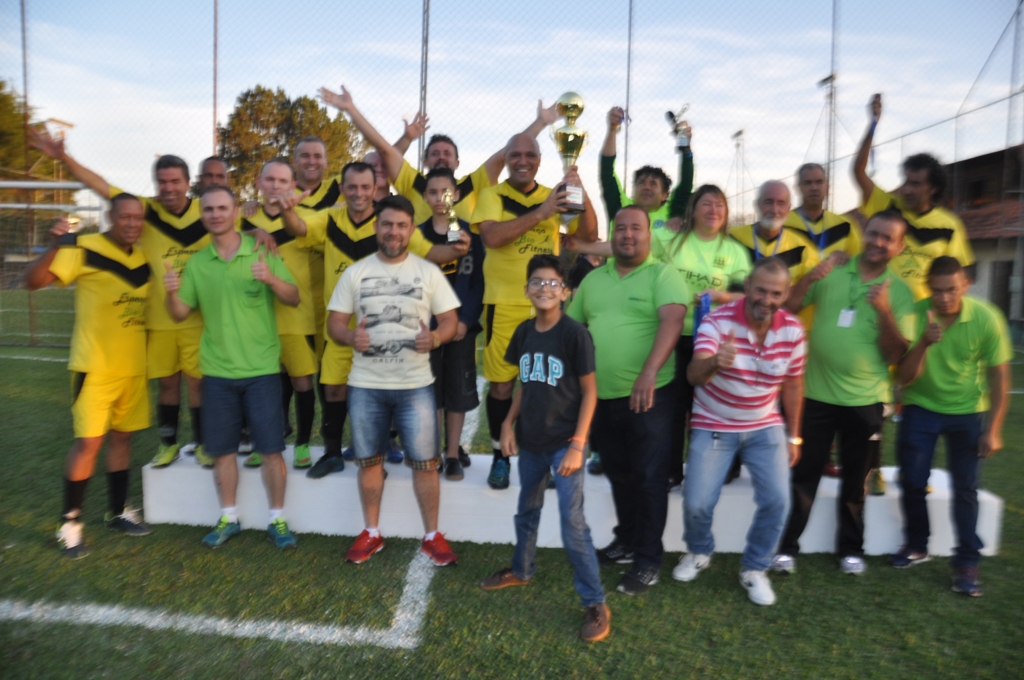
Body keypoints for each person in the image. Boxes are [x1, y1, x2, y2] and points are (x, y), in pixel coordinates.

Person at [29, 130, 210, 468]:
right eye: (162, 181)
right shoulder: (144, 211)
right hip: (157, 319)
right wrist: (63, 158)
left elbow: (243, 222)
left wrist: (258, 228)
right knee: (168, 384)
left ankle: (201, 443)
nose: (168, 188)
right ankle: (168, 443)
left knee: (199, 384)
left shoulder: (207, 210)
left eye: (175, 181)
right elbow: (101, 186)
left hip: (198, 318)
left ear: (188, 183)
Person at [278, 162, 464, 478]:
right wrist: (286, 211)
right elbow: (299, 229)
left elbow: (432, 254)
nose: (359, 193)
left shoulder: (387, 221)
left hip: (383, 323)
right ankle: (334, 453)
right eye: (352, 187)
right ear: (342, 189)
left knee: (382, 389)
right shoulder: (330, 218)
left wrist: (459, 249)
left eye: (365, 187)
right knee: (334, 389)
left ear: (374, 188)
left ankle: (379, 452)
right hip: (340, 322)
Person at [774, 210, 916, 575]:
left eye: (888, 238)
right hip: (815, 396)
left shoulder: (899, 292)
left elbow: (896, 354)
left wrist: (883, 312)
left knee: (856, 480)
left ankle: (850, 550)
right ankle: (787, 548)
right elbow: (786, 311)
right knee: (803, 476)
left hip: (866, 402)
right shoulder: (832, 270)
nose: (878, 242)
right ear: (863, 233)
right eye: (874, 233)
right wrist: (808, 279)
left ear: (899, 247)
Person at [326, 195, 461, 566]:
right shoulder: (355, 273)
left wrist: (435, 337)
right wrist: (350, 335)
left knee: (425, 464)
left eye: (402, 225)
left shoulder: (428, 272)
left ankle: (432, 536)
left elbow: (450, 321)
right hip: (366, 385)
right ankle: (371, 532)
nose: (394, 232)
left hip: (415, 385)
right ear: (376, 227)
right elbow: (334, 323)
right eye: (387, 224)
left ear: (411, 230)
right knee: (369, 462)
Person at [480, 254, 608, 642]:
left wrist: (578, 444)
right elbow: (526, 382)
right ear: (526, 289)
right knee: (526, 511)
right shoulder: (523, 331)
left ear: (565, 292)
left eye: (553, 283)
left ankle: (595, 601)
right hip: (532, 442)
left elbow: (590, 393)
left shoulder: (574, 334)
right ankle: (522, 570)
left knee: (573, 525)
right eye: (537, 282)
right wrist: (507, 422)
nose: (544, 289)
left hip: (565, 445)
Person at [164, 185, 300, 550]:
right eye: (209, 209)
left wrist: (270, 278)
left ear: (236, 211)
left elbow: (294, 296)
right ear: (202, 215)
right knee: (223, 451)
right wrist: (171, 291)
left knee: (271, 450)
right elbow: (179, 313)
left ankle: (278, 520)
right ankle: (229, 517)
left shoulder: (261, 248)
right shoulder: (196, 263)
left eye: (223, 208)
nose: (216, 214)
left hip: (261, 370)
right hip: (218, 373)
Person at [567, 205, 687, 595]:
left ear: (648, 236)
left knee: (650, 478)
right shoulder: (593, 280)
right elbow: (572, 327)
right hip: (601, 398)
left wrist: (649, 371)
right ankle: (627, 538)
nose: (628, 235)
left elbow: (671, 321)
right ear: (612, 235)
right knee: (619, 472)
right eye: (621, 229)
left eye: (636, 228)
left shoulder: (663, 274)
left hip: (651, 396)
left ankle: (648, 558)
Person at [24, 199, 153, 558]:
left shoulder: (143, 259)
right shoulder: (84, 247)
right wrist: (54, 244)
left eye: (137, 217)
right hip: (93, 367)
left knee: (123, 439)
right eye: (124, 216)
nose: (131, 223)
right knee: (89, 444)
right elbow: (32, 281)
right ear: (110, 217)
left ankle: (117, 511)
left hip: (132, 368)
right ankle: (70, 523)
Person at [674, 257, 806, 606]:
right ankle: (700, 551)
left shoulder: (792, 329)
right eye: (760, 289)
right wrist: (716, 361)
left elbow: (793, 384)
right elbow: (693, 375)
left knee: (778, 500)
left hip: (765, 425)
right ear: (747, 287)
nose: (766, 298)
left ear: (785, 294)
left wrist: (794, 435)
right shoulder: (717, 323)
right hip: (714, 423)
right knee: (698, 502)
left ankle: (755, 568)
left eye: (775, 293)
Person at [473, 134, 599, 489]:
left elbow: (588, 232)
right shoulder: (491, 195)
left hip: (546, 308)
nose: (522, 160)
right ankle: (500, 456)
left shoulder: (554, 193)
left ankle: (549, 457)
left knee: (550, 383)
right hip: (504, 304)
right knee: (502, 387)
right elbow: (493, 237)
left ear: (540, 160)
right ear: (507, 158)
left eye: (530, 154)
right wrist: (543, 212)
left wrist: (580, 190)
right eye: (515, 154)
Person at [892, 256, 1011, 596]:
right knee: (913, 481)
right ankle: (917, 545)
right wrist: (925, 344)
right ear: (929, 287)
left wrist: (994, 429)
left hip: (967, 413)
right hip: (920, 407)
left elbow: (999, 375)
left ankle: (966, 562)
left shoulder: (986, 317)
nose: (944, 298)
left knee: (966, 488)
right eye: (938, 290)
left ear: (966, 285)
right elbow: (904, 377)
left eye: (952, 290)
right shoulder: (916, 314)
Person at [318, 85, 561, 225]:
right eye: (434, 154)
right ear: (425, 161)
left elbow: (506, 153)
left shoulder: (472, 183)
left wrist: (540, 123)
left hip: (465, 277)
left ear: (457, 162)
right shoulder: (413, 183)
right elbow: (383, 148)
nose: (441, 157)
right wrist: (350, 109)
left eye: (447, 153)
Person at [725, 180, 823, 484]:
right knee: (734, 396)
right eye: (768, 202)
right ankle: (729, 463)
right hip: (738, 336)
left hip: (781, 339)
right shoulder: (734, 238)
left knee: (778, 404)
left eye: (781, 203)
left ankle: (773, 464)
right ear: (757, 205)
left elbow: (805, 294)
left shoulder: (804, 247)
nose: (774, 208)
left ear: (788, 207)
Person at [853, 93, 975, 299]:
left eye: (916, 184)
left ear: (933, 188)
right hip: (879, 306)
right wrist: (872, 125)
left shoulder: (950, 224)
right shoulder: (888, 206)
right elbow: (858, 171)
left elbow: (961, 272)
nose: (907, 189)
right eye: (906, 181)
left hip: (924, 316)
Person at [238, 159, 318, 470]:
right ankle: (265, 441)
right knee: (263, 384)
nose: (275, 186)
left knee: (302, 382)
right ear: (258, 182)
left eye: (282, 181)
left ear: (292, 186)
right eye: (269, 179)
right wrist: (247, 215)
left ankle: (302, 444)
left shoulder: (306, 218)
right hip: (256, 317)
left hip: (297, 314)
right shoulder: (242, 216)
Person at [417, 168, 485, 479]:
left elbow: (476, 283)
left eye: (446, 192)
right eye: (433, 192)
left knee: (457, 391)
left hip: (460, 331)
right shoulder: (416, 235)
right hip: (426, 328)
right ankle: (431, 451)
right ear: (425, 196)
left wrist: (465, 320)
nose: (440, 198)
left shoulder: (469, 235)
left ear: (456, 195)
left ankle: (453, 454)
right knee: (430, 392)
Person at [599, 106, 694, 231]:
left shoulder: (672, 213)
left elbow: (686, 185)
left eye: (653, 184)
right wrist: (612, 130)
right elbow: (606, 171)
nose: (646, 187)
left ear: (664, 195)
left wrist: (685, 149)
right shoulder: (621, 208)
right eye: (641, 182)